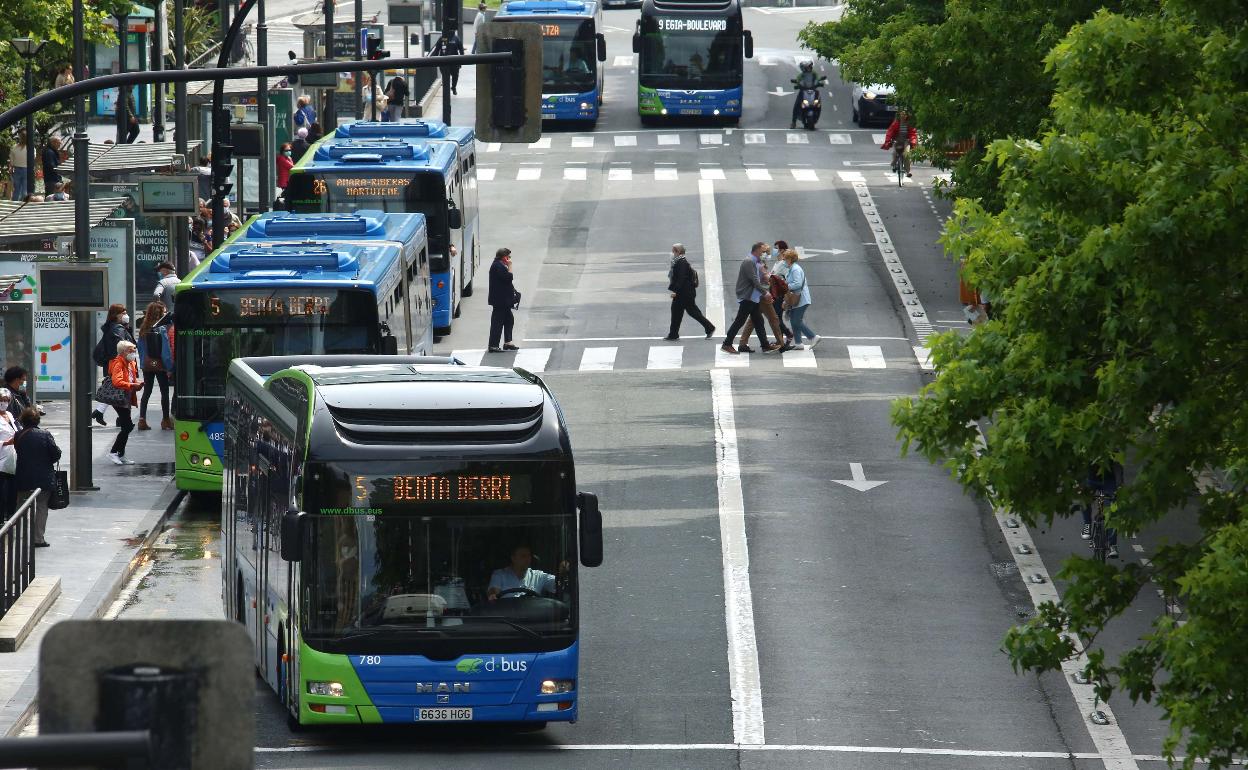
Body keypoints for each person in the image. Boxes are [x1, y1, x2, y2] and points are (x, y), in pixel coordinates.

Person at [13, 407, 60, 548]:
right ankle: (38, 539)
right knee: (41, 507)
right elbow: (55, 454)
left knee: (21, 507)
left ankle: (19, 537)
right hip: (43, 477)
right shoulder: (45, 434)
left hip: (23, 476)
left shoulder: (18, 435)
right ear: (38, 420)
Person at [721, 242, 778, 355]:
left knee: (759, 321)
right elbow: (754, 280)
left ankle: (765, 345)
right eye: (762, 252)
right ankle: (727, 344)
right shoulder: (749, 261)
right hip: (747, 297)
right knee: (739, 321)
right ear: (756, 250)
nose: (764, 254)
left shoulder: (755, 262)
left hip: (753, 297)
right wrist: (765, 292)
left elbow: (758, 279)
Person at [738, 248, 791, 353]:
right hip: (762, 296)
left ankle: (743, 343)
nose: (768, 256)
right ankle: (781, 344)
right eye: (767, 253)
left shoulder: (756, 263)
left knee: (752, 320)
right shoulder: (759, 265)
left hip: (756, 295)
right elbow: (761, 280)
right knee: (774, 319)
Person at [92, 304, 135, 427]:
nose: (126, 315)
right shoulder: (118, 329)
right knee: (121, 390)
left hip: (113, 363)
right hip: (118, 364)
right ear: (115, 315)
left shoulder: (113, 327)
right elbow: (124, 346)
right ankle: (123, 420)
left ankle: (101, 412)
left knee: (114, 389)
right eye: (123, 313)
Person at [136, 301, 174, 431]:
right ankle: (165, 420)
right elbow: (165, 350)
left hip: (147, 365)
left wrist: (143, 363)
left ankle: (142, 419)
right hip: (160, 365)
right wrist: (169, 367)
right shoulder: (162, 328)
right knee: (164, 392)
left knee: (147, 391)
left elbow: (140, 349)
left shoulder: (143, 328)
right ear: (160, 313)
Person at [665, 243, 715, 341]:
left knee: (682, 311)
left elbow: (681, 279)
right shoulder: (680, 262)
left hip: (684, 294)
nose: (672, 253)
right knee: (686, 311)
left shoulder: (681, 263)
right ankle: (674, 334)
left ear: (678, 252)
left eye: (673, 251)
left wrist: (676, 291)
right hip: (686, 293)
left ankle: (674, 334)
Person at [107, 340, 143, 465]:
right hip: (119, 399)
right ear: (122, 352)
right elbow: (117, 382)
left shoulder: (131, 363)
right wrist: (133, 385)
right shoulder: (119, 363)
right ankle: (113, 452)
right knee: (127, 426)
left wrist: (136, 384)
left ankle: (121, 454)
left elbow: (131, 378)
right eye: (130, 350)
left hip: (126, 398)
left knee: (126, 427)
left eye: (134, 349)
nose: (133, 352)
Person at [487, 544, 565, 601]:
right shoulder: (500, 575)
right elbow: (493, 592)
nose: (527, 559)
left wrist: (562, 572)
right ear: (513, 558)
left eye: (529, 556)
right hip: (507, 620)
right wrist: (493, 595)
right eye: (523, 556)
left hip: (532, 621)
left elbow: (557, 584)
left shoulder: (538, 576)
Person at [1080, 463, 1122, 559]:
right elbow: (1081, 466)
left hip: (1110, 481)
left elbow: (1117, 467)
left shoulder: (1112, 451)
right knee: (1084, 498)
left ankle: (1112, 545)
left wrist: (1119, 484)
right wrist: (1080, 484)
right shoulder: (1088, 450)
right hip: (1091, 480)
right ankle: (1087, 525)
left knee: (1112, 508)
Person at [781, 248, 820, 349]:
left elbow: (797, 284)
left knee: (796, 320)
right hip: (797, 298)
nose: (783, 260)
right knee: (795, 319)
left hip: (801, 299)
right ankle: (798, 343)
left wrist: (786, 286)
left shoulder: (795, 269)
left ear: (789, 259)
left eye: (785, 258)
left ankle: (813, 337)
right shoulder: (792, 268)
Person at [487, 247, 520, 353]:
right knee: (497, 322)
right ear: (504, 257)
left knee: (509, 320)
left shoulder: (499, 265)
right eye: (508, 257)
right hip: (500, 301)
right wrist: (510, 266)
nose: (510, 259)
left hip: (503, 300)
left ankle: (508, 342)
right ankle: (493, 345)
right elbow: (509, 278)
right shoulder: (498, 266)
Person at [882, 110, 918, 177]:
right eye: (901, 114)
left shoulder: (909, 124)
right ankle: (894, 164)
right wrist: (888, 141)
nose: (903, 116)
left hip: (906, 141)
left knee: (906, 154)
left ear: (907, 116)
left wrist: (912, 141)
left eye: (904, 115)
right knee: (895, 153)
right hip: (897, 141)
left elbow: (913, 133)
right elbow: (890, 132)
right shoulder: (896, 123)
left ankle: (908, 172)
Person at [790, 61, 824, 129]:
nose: (808, 68)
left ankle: (817, 112)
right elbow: (798, 79)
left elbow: (818, 78)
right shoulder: (802, 74)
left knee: (818, 102)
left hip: (813, 90)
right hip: (803, 90)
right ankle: (793, 122)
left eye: (809, 67)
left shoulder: (814, 73)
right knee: (796, 105)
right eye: (807, 67)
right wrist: (797, 84)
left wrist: (819, 82)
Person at [0, 389, 18, 519]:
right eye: (1, 400)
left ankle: (10, 513)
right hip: (2, 456)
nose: (3, 403)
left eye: (6, 400)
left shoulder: (10, 415)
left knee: (12, 488)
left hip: (13, 457)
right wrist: (6, 442)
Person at [10, 130, 28, 201]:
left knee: (18, 190)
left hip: (20, 169)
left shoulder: (14, 147)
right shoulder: (30, 148)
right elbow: (33, 158)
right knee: (22, 190)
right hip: (23, 169)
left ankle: (16, 206)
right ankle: (21, 205)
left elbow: (11, 160)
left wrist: (11, 168)